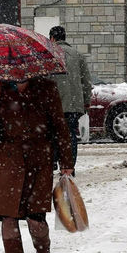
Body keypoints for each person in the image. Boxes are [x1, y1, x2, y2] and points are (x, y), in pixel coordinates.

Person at [0, 77, 75, 253]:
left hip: (39, 158)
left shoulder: (46, 87)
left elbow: (60, 124)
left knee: (36, 218)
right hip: (7, 157)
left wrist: (66, 162)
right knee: (8, 217)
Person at [48, 25, 92, 165]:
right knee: (70, 134)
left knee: (52, 133)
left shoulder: (49, 54)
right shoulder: (78, 55)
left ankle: (53, 161)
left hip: (54, 103)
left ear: (52, 38)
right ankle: (69, 165)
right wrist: (86, 101)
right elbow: (86, 81)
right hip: (73, 104)